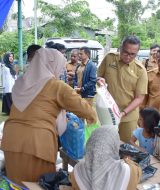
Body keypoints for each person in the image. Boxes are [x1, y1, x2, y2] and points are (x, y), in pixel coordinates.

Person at [1, 48, 97, 185]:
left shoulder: (22, 82)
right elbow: (83, 108)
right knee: (37, 184)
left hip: (11, 139)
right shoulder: (56, 86)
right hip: (36, 144)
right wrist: (93, 116)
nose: (61, 71)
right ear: (53, 65)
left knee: (16, 183)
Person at [98, 36, 148, 143]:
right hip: (108, 113)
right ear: (121, 48)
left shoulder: (140, 70)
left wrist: (123, 113)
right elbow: (97, 76)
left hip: (128, 116)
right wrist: (99, 80)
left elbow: (139, 98)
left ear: (137, 53)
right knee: (108, 143)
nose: (128, 56)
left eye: (132, 54)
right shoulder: (110, 58)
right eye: (125, 52)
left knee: (127, 147)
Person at [71, 127, 142, 190]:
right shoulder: (127, 171)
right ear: (114, 146)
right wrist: (127, 160)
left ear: (90, 144)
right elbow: (138, 172)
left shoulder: (77, 171)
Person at [142, 48, 160, 113]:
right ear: (156, 60)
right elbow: (144, 96)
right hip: (150, 115)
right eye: (159, 60)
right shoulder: (149, 75)